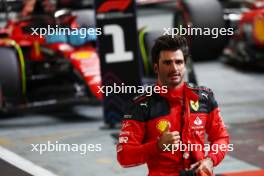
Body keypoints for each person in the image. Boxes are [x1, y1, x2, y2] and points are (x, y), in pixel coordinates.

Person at [116, 35, 230, 176]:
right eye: (167, 63)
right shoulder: (140, 105)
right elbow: (124, 156)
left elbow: (221, 137)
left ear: (185, 64)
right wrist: (157, 146)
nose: (174, 68)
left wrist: (211, 160)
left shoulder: (204, 98)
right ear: (156, 67)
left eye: (179, 62)